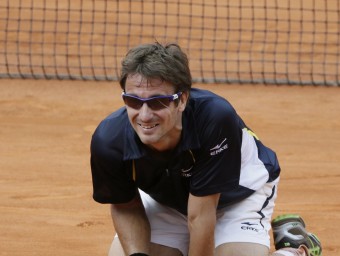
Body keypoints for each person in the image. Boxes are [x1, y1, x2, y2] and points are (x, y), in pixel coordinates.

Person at [90, 42, 322, 256]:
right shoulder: (109, 141)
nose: (144, 115)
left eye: (157, 101)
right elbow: (126, 206)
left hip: (237, 197)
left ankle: (295, 249)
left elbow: (200, 215)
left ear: (181, 100)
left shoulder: (214, 119)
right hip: (168, 201)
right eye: (133, 101)